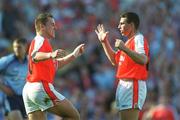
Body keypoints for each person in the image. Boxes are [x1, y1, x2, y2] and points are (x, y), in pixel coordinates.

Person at [22, 13, 85, 120]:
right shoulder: (40, 40)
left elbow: (56, 64)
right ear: (42, 26)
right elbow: (35, 56)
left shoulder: (43, 44)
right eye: (52, 24)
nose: (55, 27)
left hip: (29, 91)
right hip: (40, 88)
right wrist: (50, 54)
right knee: (74, 116)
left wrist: (74, 55)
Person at [95, 12, 149, 120]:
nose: (119, 26)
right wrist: (104, 42)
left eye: (122, 23)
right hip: (124, 85)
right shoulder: (129, 42)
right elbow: (115, 60)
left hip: (132, 85)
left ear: (132, 25)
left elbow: (143, 59)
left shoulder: (138, 38)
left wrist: (124, 48)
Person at [0, 38, 28, 120]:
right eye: (14, 47)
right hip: (10, 97)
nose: (16, 49)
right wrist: (3, 87)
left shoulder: (30, 61)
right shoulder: (6, 61)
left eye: (19, 47)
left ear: (25, 47)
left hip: (24, 98)